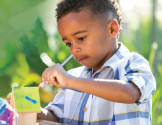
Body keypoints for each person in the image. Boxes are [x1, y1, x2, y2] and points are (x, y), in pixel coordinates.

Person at [8, 0, 156, 124]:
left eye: (81, 38)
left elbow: (129, 93)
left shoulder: (132, 63)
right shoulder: (73, 77)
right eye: (68, 43)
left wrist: (70, 81)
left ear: (112, 29)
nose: (74, 49)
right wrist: (28, 107)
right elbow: (57, 117)